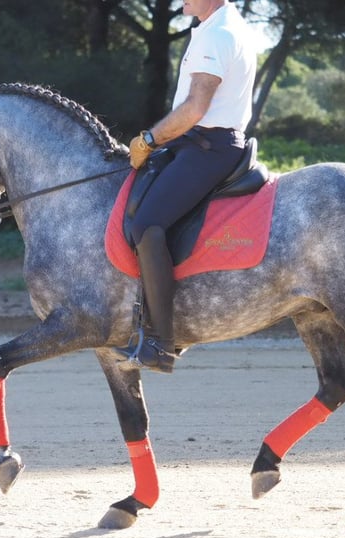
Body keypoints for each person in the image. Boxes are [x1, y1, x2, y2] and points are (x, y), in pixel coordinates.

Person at [114, 0, 257, 373]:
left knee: (147, 224)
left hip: (208, 146)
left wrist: (148, 139)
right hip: (197, 143)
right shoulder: (219, 27)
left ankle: (162, 343)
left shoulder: (219, 35)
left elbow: (195, 108)